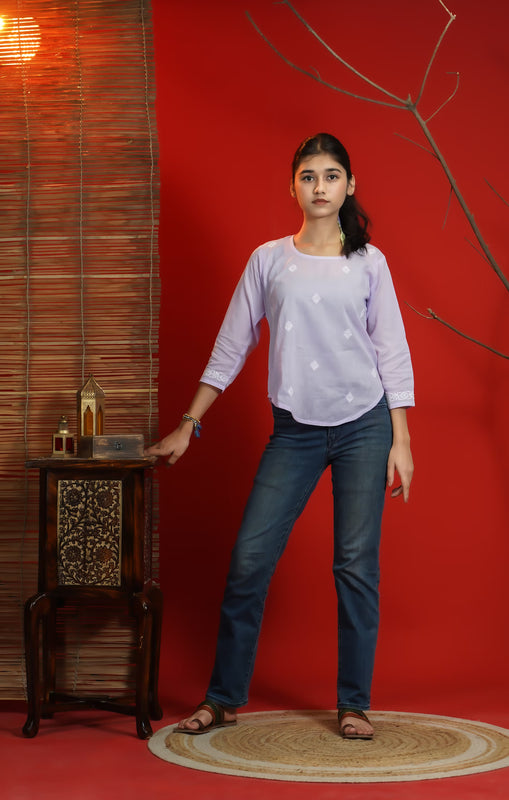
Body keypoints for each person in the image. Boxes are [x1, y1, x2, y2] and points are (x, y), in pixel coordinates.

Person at [146, 133, 414, 740]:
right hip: (293, 429)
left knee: (354, 564)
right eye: (309, 176)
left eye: (332, 175)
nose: (320, 187)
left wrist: (402, 440)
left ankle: (354, 703)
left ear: (350, 185)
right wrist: (189, 424)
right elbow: (231, 345)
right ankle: (224, 697)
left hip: (363, 425)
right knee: (248, 560)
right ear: (291, 185)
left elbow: (392, 351)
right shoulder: (268, 259)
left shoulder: (370, 263)